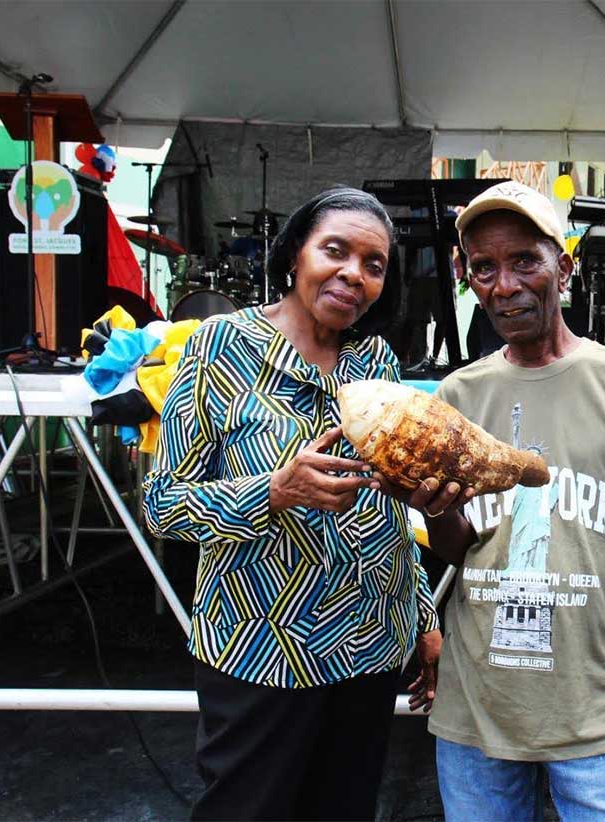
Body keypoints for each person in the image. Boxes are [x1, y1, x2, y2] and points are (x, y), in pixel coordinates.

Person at [369, 181, 605, 820]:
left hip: (597, 713)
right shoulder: (457, 394)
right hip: (480, 707)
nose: (506, 284)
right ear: (468, 280)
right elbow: (458, 547)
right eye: (485, 268)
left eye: (524, 261)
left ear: (562, 268)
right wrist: (435, 508)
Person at [144, 187, 442, 821]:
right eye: (334, 251)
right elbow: (163, 504)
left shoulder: (374, 359)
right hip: (263, 655)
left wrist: (422, 617)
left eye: (374, 264)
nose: (352, 275)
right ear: (294, 256)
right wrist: (273, 492)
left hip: (369, 646)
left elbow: (391, 514)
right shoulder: (218, 348)